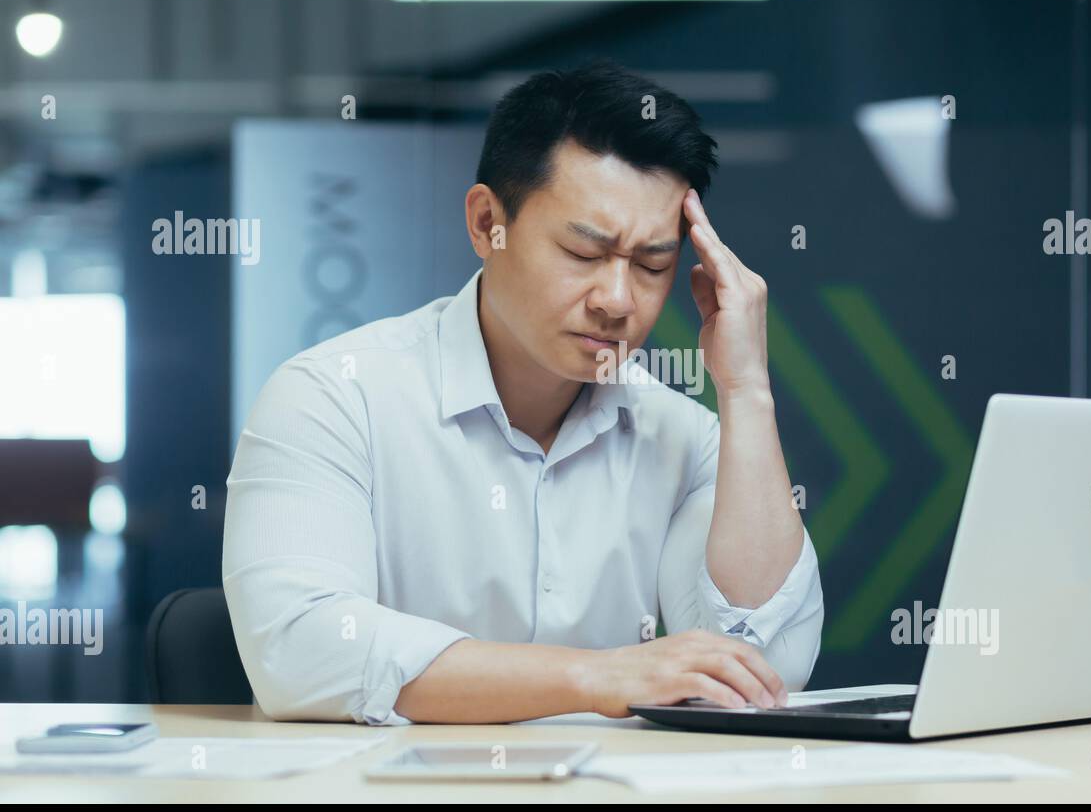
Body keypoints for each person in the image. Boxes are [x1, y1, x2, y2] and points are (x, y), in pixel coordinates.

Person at [222, 59, 823, 724]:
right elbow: (299, 649)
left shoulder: (684, 437)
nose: (617, 300)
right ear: (488, 223)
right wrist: (598, 677)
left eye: (652, 264)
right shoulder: (334, 398)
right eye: (584, 254)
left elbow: (764, 666)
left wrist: (746, 389)